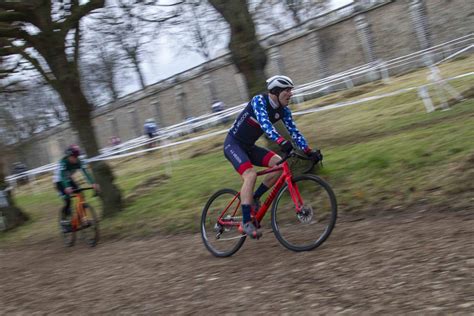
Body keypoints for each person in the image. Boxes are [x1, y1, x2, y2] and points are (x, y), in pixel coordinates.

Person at [223, 75, 322, 239]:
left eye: (291, 90)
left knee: (279, 165)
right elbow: (265, 124)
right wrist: (281, 141)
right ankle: (246, 222)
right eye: (287, 91)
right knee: (250, 174)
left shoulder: (284, 111)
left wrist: (308, 150)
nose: (291, 94)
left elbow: (294, 132)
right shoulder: (259, 101)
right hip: (233, 144)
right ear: (275, 92)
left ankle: (254, 198)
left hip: (249, 147)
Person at [53, 145, 99, 232]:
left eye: (76, 157)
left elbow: (86, 173)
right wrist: (66, 187)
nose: (75, 159)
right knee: (68, 200)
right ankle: (64, 222)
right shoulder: (63, 162)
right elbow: (62, 176)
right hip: (59, 181)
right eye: (73, 157)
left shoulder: (79, 161)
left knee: (81, 194)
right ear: (68, 156)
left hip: (69, 180)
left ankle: (83, 218)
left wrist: (93, 183)